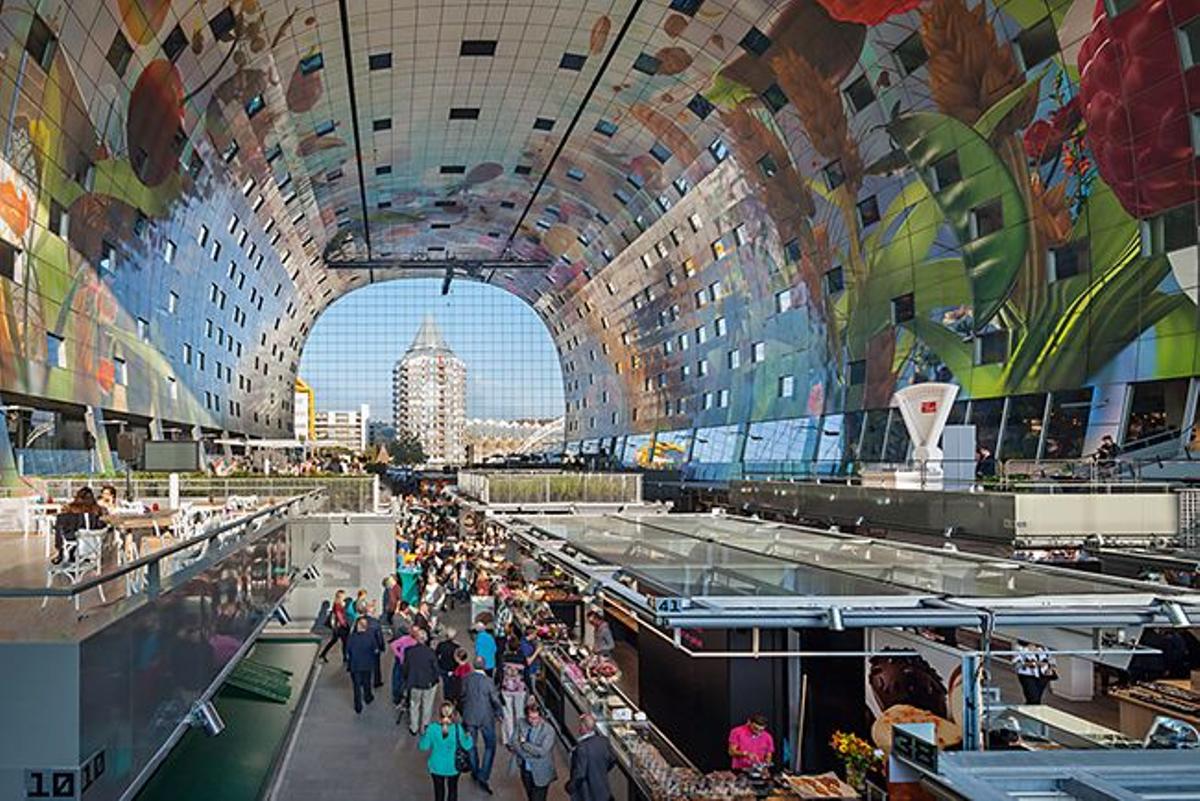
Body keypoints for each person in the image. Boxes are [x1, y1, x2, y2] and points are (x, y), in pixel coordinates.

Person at [461, 656, 503, 795]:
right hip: (486, 717)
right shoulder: (488, 681)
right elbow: (495, 699)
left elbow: (462, 695)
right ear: (484, 666)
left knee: (471, 745)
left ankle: (474, 770)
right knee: (490, 746)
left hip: (470, 716)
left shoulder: (466, 678)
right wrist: (499, 712)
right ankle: (483, 776)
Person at [419, 701, 473, 801]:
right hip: (453, 766)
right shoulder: (457, 729)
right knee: (453, 789)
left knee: (439, 791)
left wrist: (423, 735)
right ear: (453, 715)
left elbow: (423, 747)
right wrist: (469, 737)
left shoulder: (432, 728)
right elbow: (467, 746)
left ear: (439, 714)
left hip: (436, 766)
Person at [512, 701, 557, 801]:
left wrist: (524, 744)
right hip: (525, 769)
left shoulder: (548, 730)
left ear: (541, 717)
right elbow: (514, 742)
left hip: (541, 773)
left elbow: (542, 752)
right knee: (530, 797)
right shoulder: (521, 722)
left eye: (535, 718)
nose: (533, 721)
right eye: (530, 718)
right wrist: (527, 754)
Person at [52, 487, 108, 564]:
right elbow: (104, 524)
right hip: (95, 540)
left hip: (74, 537)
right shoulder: (98, 509)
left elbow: (60, 527)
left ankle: (61, 552)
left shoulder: (70, 508)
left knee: (61, 525)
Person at [567, 713, 614, 801]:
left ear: (584, 727)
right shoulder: (604, 741)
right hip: (602, 790)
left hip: (587, 793)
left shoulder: (582, 748)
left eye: (580, 724)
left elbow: (580, 774)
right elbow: (612, 760)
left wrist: (570, 786)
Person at [404, 628, 441, 736]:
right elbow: (435, 669)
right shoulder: (430, 652)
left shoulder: (409, 651)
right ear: (425, 639)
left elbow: (405, 668)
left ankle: (413, 727)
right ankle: (424, 728)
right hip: (428, 684)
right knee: (427, 706)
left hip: (414, 682)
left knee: (414, 704)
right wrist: (435, 680)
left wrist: (407, 678)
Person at [346, 617, 379, 714]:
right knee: (367, 682)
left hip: (355, 665)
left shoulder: (352, 637)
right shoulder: (370, 637)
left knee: (356, 686)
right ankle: (368, 697)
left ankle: (358, 706)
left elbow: (347, 652)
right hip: (367, 664)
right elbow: (376, 650)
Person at [500, 639, 528, 744]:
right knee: (520, 713)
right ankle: (521, 737)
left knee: (507, 713)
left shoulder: (504, 658)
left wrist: (498, 686)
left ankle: (509, 739)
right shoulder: (522, 658)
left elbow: (499, 673)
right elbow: (526, 675)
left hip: (506, 689)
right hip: (519, 689)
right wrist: (531, 691)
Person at [390, 626, 419, 706]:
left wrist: (399, 655)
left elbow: (393, 645)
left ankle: (397, 698)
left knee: (397, 679)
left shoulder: (405, 638)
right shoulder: (417, 642)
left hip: (401, 662)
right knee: (407, 681)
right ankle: (407, 699)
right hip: (410, 664)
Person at [319, 590, 350, 663]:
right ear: (340, 596)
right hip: (340, 626)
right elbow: (339, 616)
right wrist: (345, 625)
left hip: (338, 626)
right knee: (344, 642)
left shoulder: (338, 604)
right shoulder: (337, 605)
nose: (344, 596)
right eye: (343, 595)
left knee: (335, 641)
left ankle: (323, 654)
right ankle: (345, 657)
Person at [364, 600, 386, 689]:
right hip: (374, 647)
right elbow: (379, 636)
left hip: (363, 647)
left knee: (365, 665)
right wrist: (382, 647)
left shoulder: (359, 620)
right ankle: (377, 681)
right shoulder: (375, 623)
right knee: (376, 665)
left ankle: (364, 681)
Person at [437, 628, 462, 696]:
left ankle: (446, 697)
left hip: (443, 667)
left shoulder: (441, 645)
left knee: (445, 684)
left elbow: (437, 654)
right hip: (453, 668)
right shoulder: (456, 646)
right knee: (453, 683)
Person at [518, 626, 542, 691]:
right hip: (529, 672)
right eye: (535, 634)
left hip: (531, 670)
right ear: (530, 635)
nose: (536, 636)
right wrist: (537, 651)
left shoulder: (526, 640)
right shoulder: (525, 645)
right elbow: (528, 661)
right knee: (530, 690)